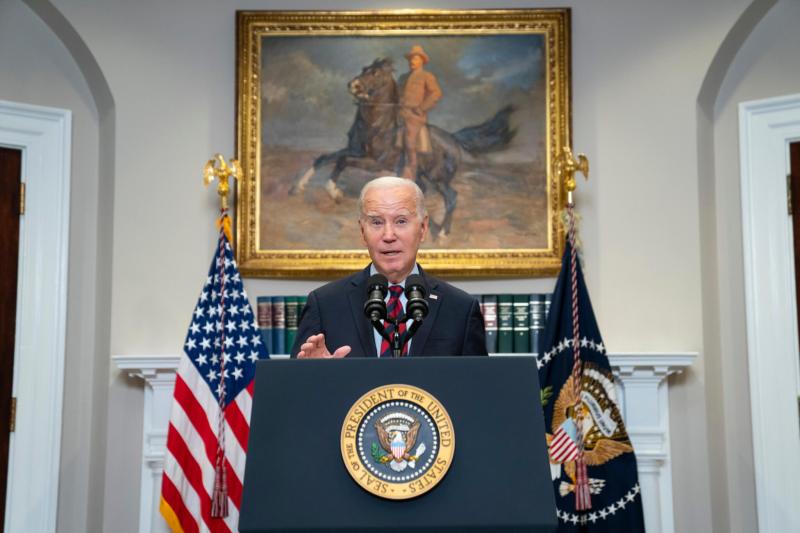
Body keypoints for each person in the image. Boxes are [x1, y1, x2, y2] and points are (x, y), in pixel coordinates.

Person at [291, 176, 486, 358]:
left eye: (401, 221)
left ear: (423, 228)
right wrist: (315, 375)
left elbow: (478, 388)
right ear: (362, 232)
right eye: (376, 222)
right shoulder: (324, 304)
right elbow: (294, 389)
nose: (389, 235)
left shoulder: (461, 308)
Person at [397, 45, 442, 181]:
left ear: (422, 60)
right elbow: (397, 95)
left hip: (415, 116)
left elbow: (436, 93)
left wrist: (422, 108)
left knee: (410, 141)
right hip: (399, 113)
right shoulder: (402, 78)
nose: (412, 61)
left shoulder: (426, 76)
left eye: (415, 59)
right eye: (411, 59)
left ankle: (411, 170)